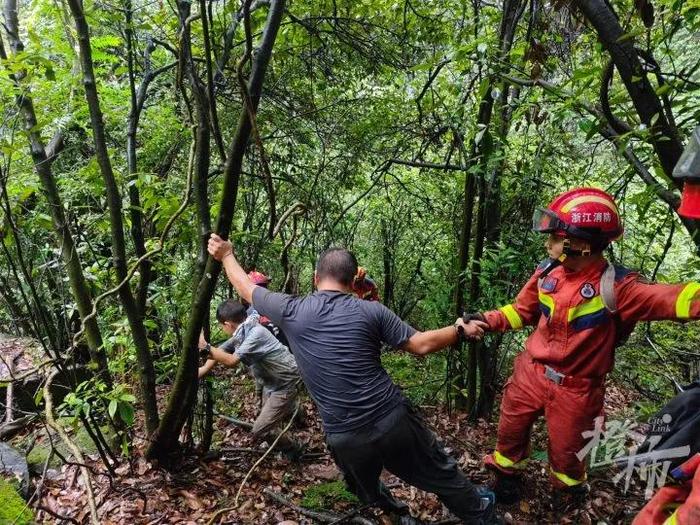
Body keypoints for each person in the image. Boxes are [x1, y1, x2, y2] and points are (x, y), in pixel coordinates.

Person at [207, 235, 498, 525]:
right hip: (392, 420)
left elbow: (246, 289)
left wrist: (227, 254)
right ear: (352, 282)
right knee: (440, 474)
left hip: (345, 436)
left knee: (365, 487)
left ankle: (397, 517)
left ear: (315, 278)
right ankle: (481, 515)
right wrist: (459, 329)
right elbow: (420, 345)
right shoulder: (372, 311)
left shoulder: (291, 309)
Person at [468, 188, 700, 504]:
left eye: (555, 237)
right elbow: (521, 311)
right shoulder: (547, 271)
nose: (548, 244)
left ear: (582, 243)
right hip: (530, 373)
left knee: (568, 456)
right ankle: (506, 480)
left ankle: (568, 496)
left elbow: (675, 298)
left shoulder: (619, 287)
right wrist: (486, 319)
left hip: (577, 390)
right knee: (509, 432)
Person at [198, 299, 303, 458]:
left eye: (221, 326)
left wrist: (206, 346)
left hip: (286, 384)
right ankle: (293, 416)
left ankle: (294, 449)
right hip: (272, 383)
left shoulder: (255, 333)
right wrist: (204, 369)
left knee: (261, 429)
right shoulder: (244, 330)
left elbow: (231, 361)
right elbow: (222, 350)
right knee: (269, 420)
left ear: (227, 324)